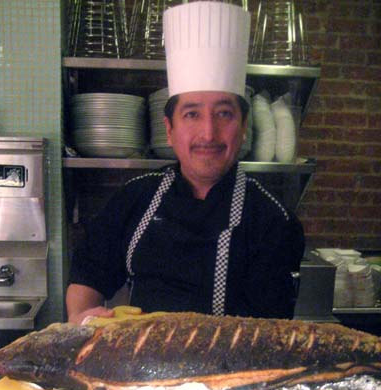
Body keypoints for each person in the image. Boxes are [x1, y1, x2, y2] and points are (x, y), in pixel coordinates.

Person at [66, 1, 305, 325]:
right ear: (170, 129)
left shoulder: (273, 220)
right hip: (139, 369)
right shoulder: (134, 197)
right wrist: (82, 320)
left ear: (244, 126)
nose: (208, 133)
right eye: (192, 114)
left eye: (224, 113)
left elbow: (269, 335)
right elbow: (88, 275)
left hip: (230, 373)